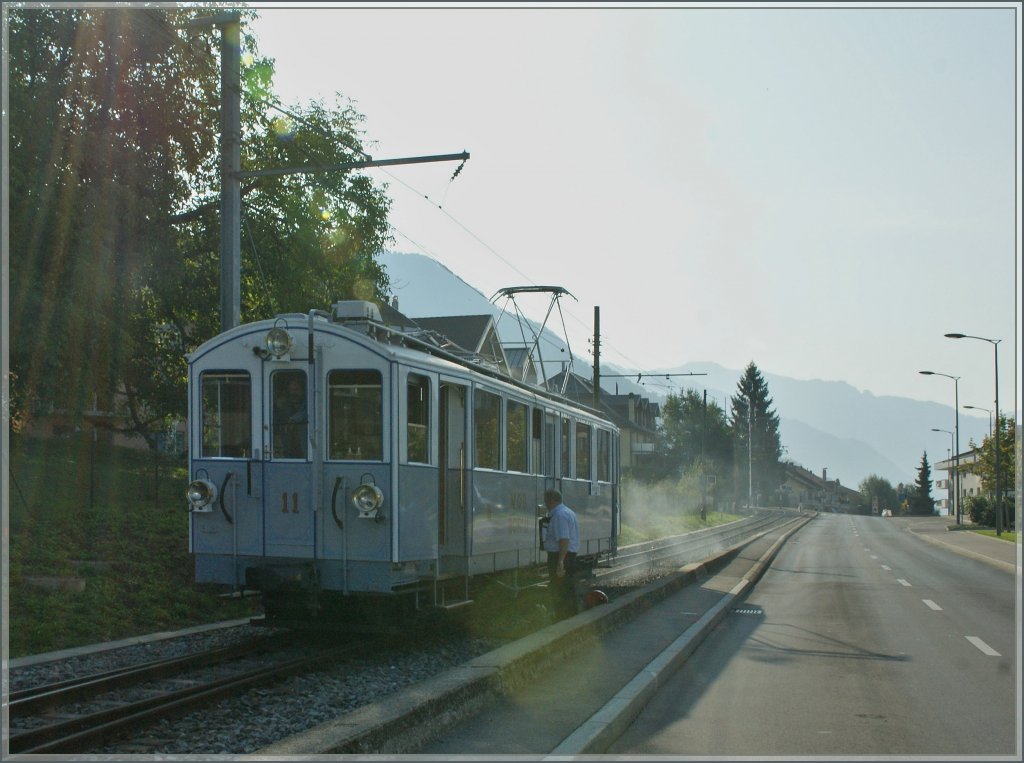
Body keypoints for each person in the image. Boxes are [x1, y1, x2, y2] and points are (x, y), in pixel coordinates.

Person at [542, 488, 580, 620]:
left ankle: (563, 618)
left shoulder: (559, 515)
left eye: (546, 501)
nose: (545, 504)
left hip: (561, 556)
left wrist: (560, 562)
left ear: (551, 501)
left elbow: (564, 540)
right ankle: (570, 617)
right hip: (568, 555)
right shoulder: (568, 512)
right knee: (567, 588)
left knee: (560, 589)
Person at [274, 374, 307, 458]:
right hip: (288, 452)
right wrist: (277, 407)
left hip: (306, 453)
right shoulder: (285, 408)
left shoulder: (309, 405)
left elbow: (310, 413)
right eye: (291, 390)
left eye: (296, 390)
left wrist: (294, 419)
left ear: (303, 391)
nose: (293, 393)